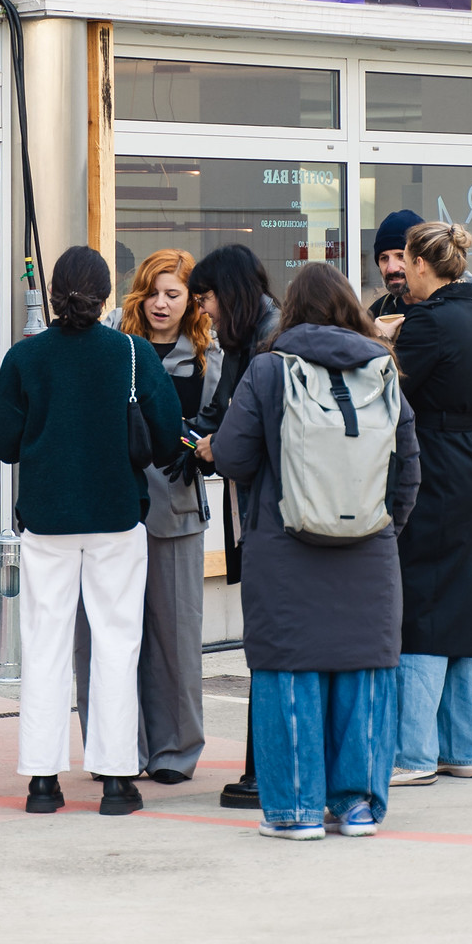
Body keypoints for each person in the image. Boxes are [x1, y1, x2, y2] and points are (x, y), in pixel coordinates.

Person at [211, 264, 420, 838]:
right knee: (365, 672)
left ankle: (295, 812)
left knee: (288, 672)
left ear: (293, 311)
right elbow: (408, 469)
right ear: (350, 307)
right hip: (369, 552)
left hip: (283, 549)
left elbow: (230, 457)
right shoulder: (383, 368)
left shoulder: (267, 370)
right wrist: (379, 532)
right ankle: (356, 807)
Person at [0, 246, 183, 816]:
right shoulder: (133, 353)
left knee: (44, 646)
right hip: (117, 518)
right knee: (117, 644)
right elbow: (168, 438)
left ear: (52, 295)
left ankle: (42, 783)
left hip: (46, 522)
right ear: (106, 297)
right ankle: (118, 781)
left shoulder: (27, 359)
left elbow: (1, 441)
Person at [73, 247, 219, 783]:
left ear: (192, 302)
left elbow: (215, 426)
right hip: (109, 506)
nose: (160, 304)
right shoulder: (111, 343)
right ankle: (115, 750)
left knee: (175, 636)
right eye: (153, 292)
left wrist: (191, 438)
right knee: (101, 637)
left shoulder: (209, 354)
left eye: (173, 294)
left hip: (175, 509)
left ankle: (174, 752)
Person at [390, 220, 472, 786]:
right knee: (468, 605)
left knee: (422, 605)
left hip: (434, 466)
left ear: (422, 265)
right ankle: (464, 748)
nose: (401, 272)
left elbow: (387, 387)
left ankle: (412, 754)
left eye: (406, 262)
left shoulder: (427, 322)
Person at [188, 244, 281, 809]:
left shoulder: (271, 343)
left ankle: (264, 769)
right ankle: (263, 766)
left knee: (269, 644)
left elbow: (247, 438)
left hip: (272, 514)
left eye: (206, 298)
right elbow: (221, 414)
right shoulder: (243, 339)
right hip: (255, 514)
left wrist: (215, 449)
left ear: (231, 292)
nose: (204, 311)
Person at [369, 209, 424, 323]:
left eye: (401, 256)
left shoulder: (447, 312)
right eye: (384, 258)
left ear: (422, 260)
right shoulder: (377, 313)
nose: (391, 268)